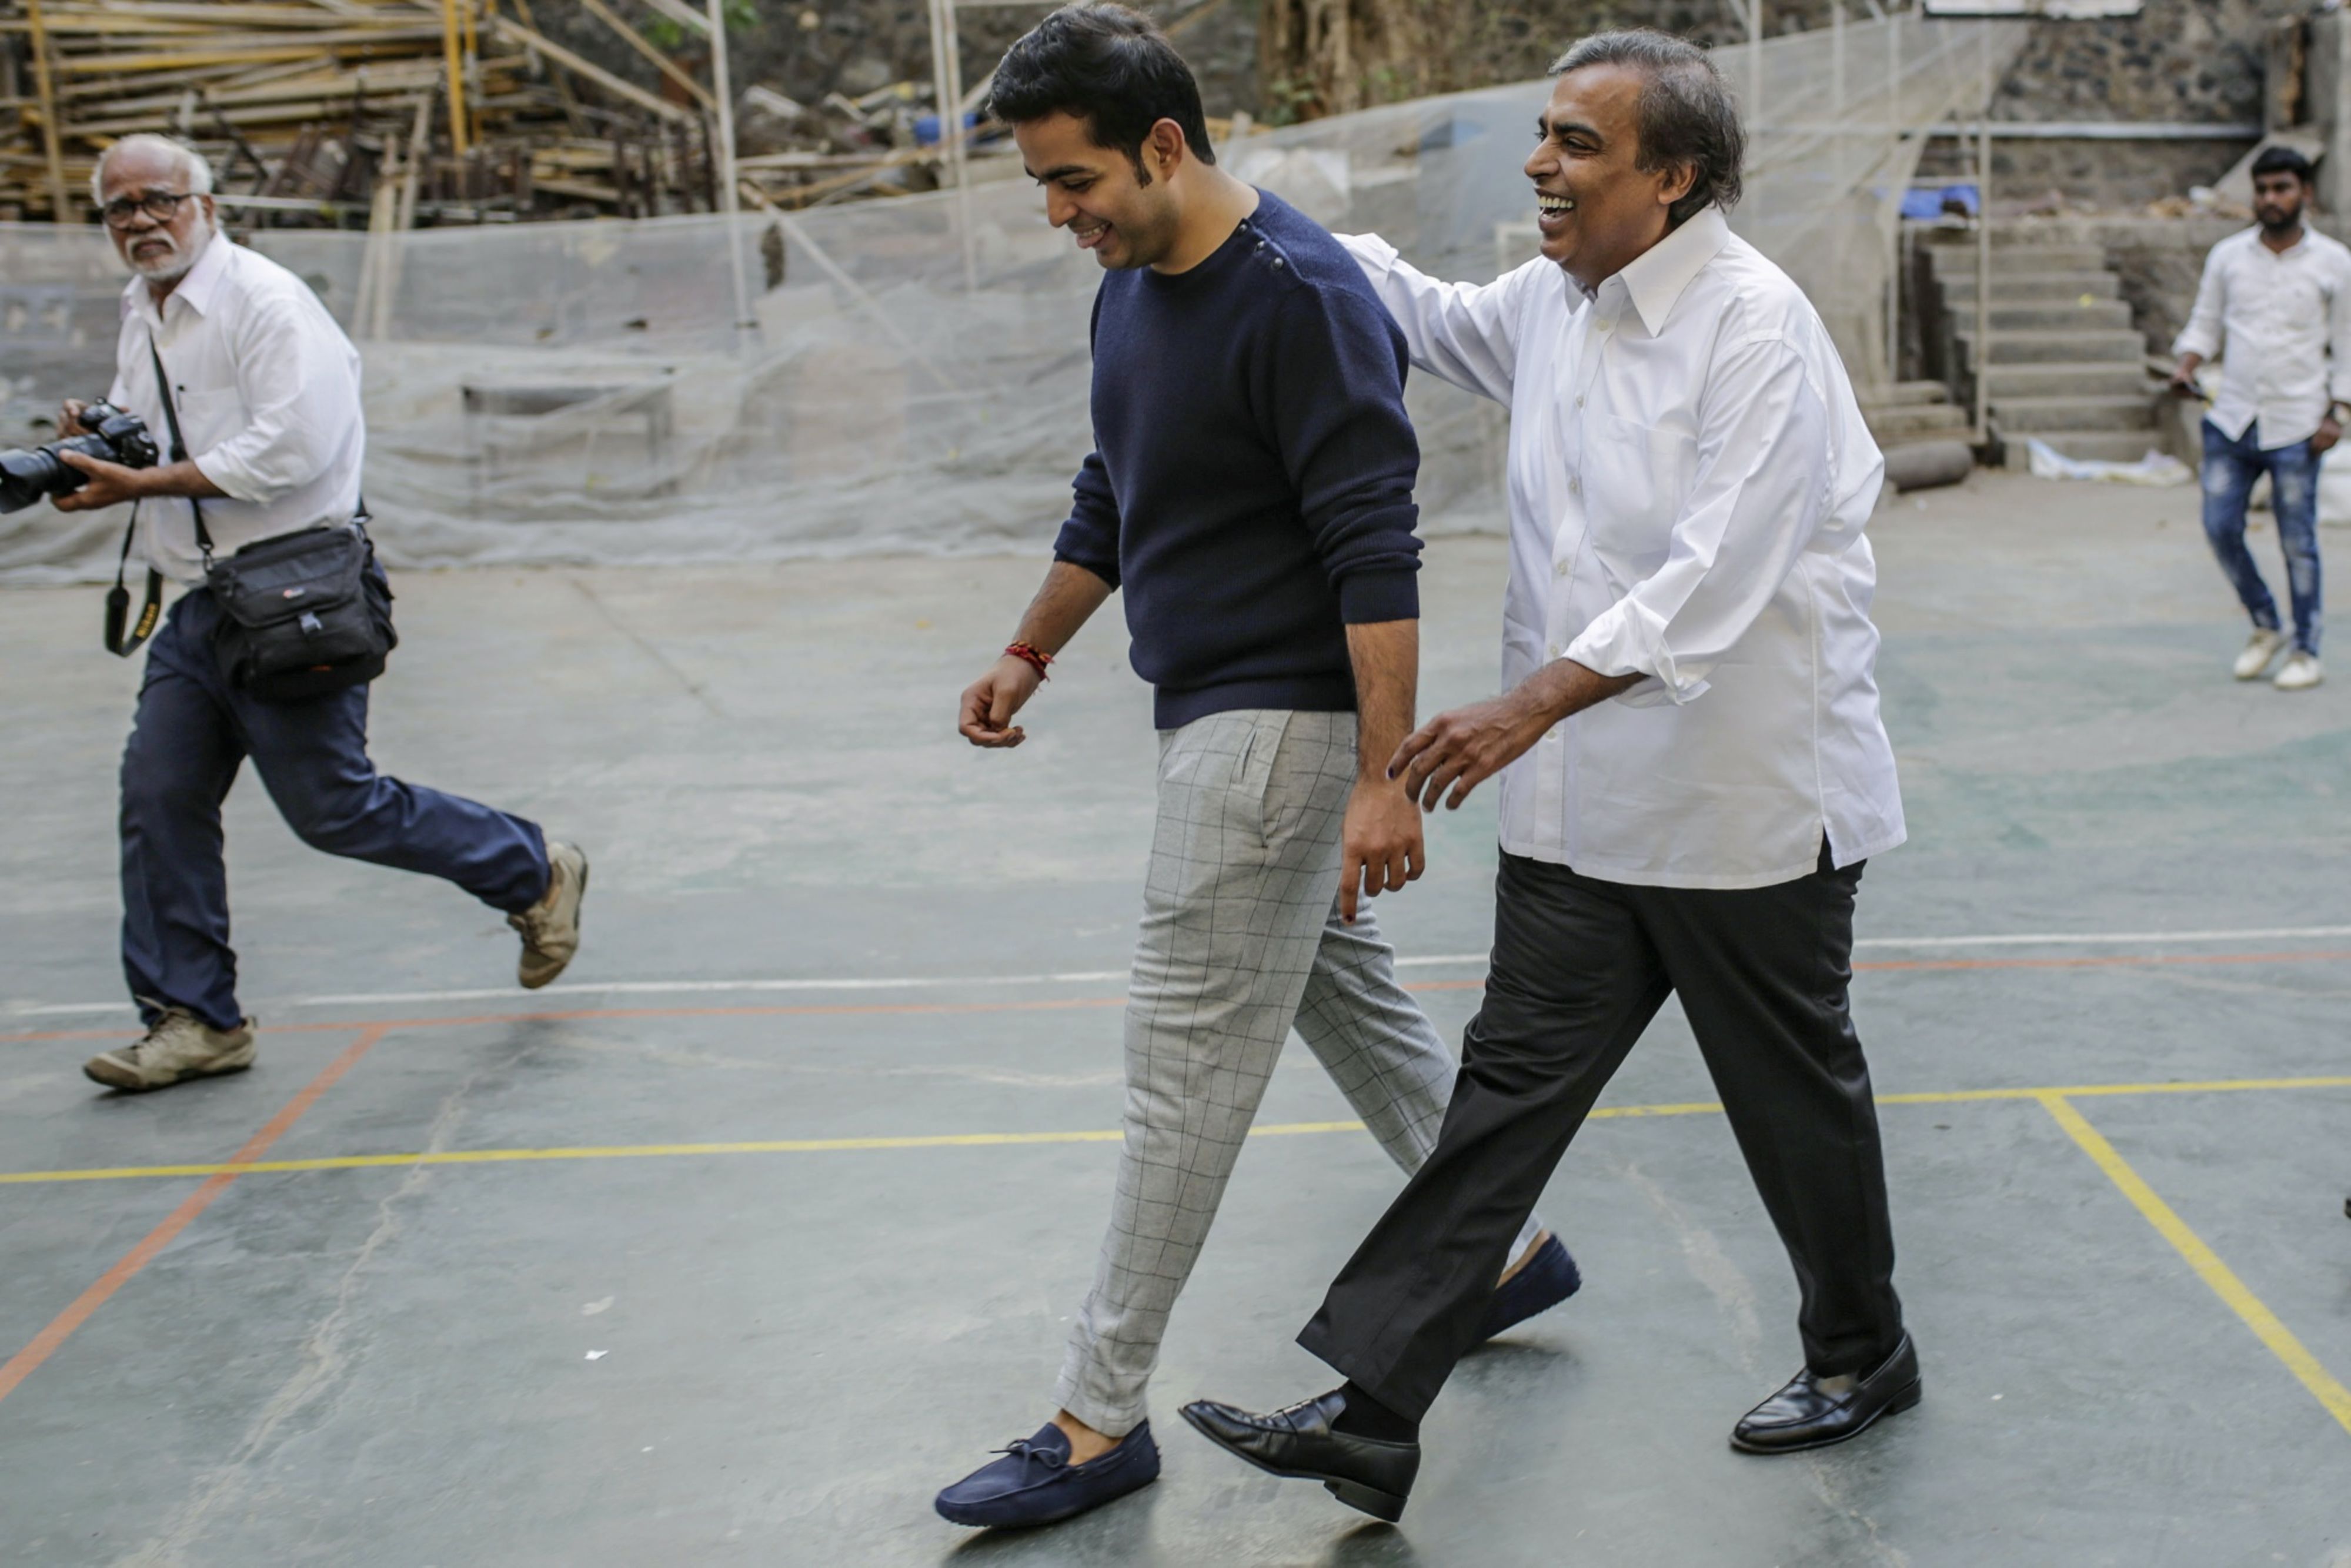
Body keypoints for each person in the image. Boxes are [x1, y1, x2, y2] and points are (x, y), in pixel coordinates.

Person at [1179, 31, 1915, 1523]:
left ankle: (1863, 1349)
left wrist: (1526, 707)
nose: (1541, 165)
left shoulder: (1754, 328)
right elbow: (1415, 306)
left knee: (1790, 1098)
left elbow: (1717, 579)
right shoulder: (1554, 304)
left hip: (1744, 805)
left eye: (1580, 144)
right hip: (1583, 818)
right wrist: (1213, 191)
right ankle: (1376, 1411)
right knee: (1503, 1103)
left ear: (1676, 176)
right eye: (1544, 136)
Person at [932, 5, 1580, 1530]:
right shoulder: (1135, 283)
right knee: (1333, 1001)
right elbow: (1116, 477)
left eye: (1073, 179)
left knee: (1178, 1072)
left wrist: (1377, 776)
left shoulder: (1300, 291)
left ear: (1164, 144)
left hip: (1270, 734)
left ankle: (1097, 1416)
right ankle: (1496, 1245)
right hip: (1208, 709)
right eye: (1038, 184)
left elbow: (1374, 531)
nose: (1056, 214)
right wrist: (1028, 648)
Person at [52, 134, 587, 1094]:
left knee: (332, 808)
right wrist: (100, 439)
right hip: (202, 602)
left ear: (207, 207)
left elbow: (288, 450)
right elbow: (157, 430)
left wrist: (141, 478)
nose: (141, 222)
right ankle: (196, 1019)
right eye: (120, 208)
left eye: (159, 201)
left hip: (297, 590)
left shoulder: (266, 302)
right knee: (158, 798)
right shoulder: (146, 312)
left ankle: (532, 867)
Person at [2169, 144, 2351, 693]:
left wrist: (2338, 412)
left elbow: (2347, 343)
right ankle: (2265, 623)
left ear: (2305, 194)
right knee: (2221, 528)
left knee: (2298, 542)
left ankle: (2306, 650)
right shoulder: (2228, 257)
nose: (2271, 199)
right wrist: (2187, 365)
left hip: (2299, 423)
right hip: (2232, 417)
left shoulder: (2334, 263)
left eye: (2283, 188)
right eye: (2264, 189)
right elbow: (2206, 323)